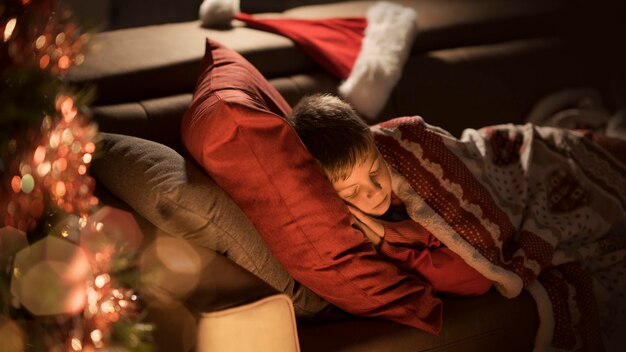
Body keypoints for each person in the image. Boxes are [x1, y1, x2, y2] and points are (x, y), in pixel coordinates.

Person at [287, 93, 492, 296]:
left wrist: (386, 234)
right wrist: (383, 243)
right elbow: (478, 278)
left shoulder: (403, 173)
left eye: (375, 170)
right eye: (353, 191)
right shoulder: (352, 228)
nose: (375, 189)